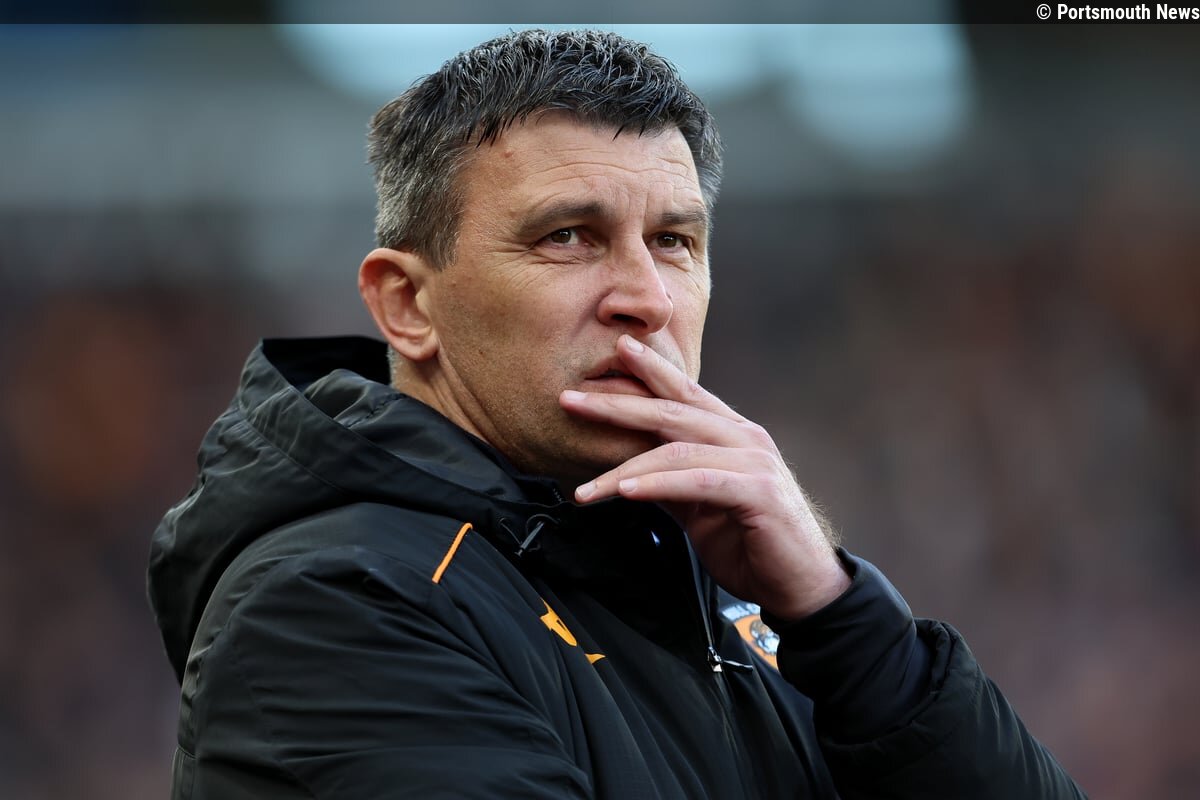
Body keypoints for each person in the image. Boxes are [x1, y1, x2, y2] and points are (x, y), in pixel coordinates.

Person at [148, 28, 1087, 799]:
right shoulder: (333, 605)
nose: (646, 297)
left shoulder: (728, 584)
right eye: (569, 237)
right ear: (407, 306)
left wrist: (849, 626)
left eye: (673, 241)